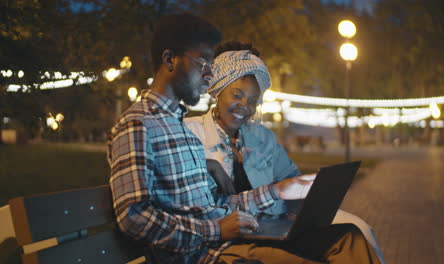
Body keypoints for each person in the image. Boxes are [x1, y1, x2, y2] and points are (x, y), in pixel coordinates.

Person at [108, 14, 381, 264]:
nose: (208, 77)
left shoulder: (179, 129)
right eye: (203, 64)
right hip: (209, 254)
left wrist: (276, 191)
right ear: (170, 60)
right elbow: (134, 218)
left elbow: (217, 206)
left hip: (228, 241)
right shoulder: (139, 124)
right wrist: (216, 228)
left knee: (349, 238)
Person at [185, 41, 385, 264]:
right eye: (237, 95)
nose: (245, 106)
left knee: (353, 235)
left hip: (273, 225)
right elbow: (205, 208)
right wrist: (277, 193)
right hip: (233, 238)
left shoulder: (261, 137)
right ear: (218, 91)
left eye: (252, 100)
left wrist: (306, 201)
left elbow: (290, 177)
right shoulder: (191, 134)